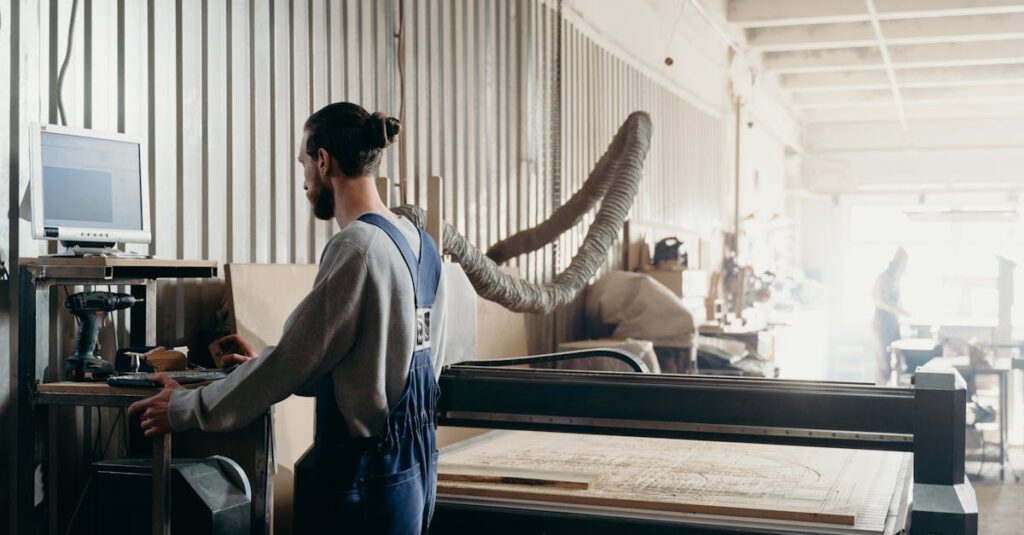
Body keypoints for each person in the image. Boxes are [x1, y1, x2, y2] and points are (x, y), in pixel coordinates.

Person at [128, 102, 447, 534]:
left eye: (304, 163)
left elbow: (288, 365)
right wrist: (262, 362)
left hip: (362, 483)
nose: (304, 181)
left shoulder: (357, 248)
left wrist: (185, 407)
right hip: (414, 475)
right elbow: (379, 363)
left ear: (323, 161)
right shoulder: (421, 245)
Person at [872, 247, 908, 385]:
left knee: (897, 358)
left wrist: (903, 311)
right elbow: (878, 300)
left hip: (893, 323)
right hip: (882, 323)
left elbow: (898, 302)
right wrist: (895, 310)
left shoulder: (896, 280)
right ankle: (880, 392)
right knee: (883, 362)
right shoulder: (883, 278)